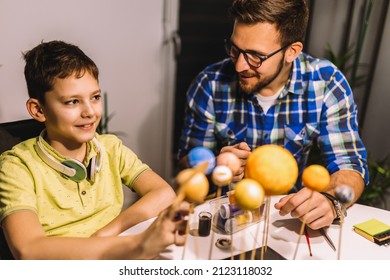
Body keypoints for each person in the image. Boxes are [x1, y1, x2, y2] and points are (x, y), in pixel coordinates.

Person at [177, 0, 369, 230]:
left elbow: (350, 164)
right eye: (235, 49)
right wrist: (216, 164)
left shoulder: (325, 83)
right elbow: (189, 158)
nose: (239, 65)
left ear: (292, 51)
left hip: (287, 219)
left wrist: (330, 200)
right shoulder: (210, 83)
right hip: (224, 215)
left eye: (256, 56)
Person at [0, 40, 188, 260]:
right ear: (39, 110)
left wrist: (107, 233)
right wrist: (136, 245)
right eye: (72, 102)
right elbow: (29, 250)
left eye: (95, 97)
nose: (89, 112)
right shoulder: (17, 167)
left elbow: (164, 193)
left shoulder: (110, 148)